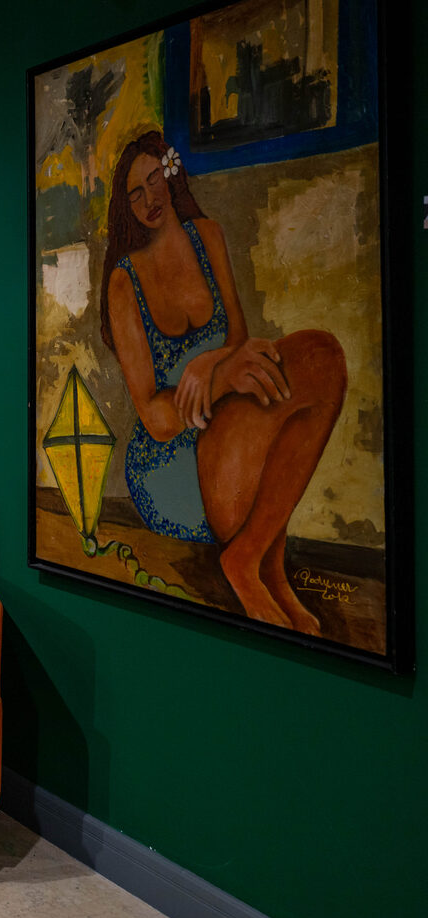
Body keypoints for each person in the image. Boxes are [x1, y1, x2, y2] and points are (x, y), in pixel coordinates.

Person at [99, 128, 347, 630]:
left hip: (224, 431)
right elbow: (156, 417)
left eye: (155, 180)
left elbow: (240, 347)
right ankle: (253, 564)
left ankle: (261, 563)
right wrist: (216, 378)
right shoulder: (125, 280)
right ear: (126, 208)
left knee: (322, 356)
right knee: (260, 401)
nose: (150, 199)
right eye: (135, 194)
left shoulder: (208, 236)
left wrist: (206, 365)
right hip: (170, 465)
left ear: (172, 174)